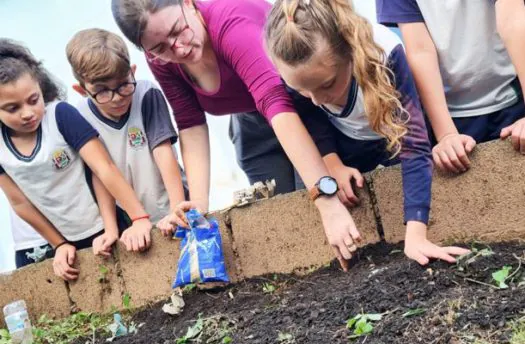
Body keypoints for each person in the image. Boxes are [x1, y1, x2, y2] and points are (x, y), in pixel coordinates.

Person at [111, 0, 364, 270]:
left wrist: (326, 200)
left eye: (178, 30)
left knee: (321, 203)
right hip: (251, 125)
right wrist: (197, 205)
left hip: (300, 108)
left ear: (188, 3)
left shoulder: (231, 21)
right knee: (283, 214)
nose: (179, 48)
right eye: (160, 48)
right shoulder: (161, 61)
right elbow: (190, 123)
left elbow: (275, 101)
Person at [265, 0, 470, 264]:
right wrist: (331, 163)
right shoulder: (298, 72)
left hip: (391, 131)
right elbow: (311, 117)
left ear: (349, 53)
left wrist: (416, 235)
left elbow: (414, 147)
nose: (316, 99)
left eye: (327, 84)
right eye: (303, 89)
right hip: (345, 140)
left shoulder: (386, 55)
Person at [0, 38, 153, 280]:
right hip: (65, 239)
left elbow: (103, 168)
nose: (28, 113)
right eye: (12, 108)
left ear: (41, 88)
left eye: (33, 100)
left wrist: (136, 219)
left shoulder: (60, 116)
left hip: (103, 224)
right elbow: (19, 203)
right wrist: (59, 244)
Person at [66, 28, 188, 242]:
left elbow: (163, 152)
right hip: (131, 219)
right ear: (82, 90)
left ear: (132, 71)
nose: (116, 98)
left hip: (170, 201)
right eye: (102, 91)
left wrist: (176, 210)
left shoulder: (146, 94)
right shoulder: (81, 116)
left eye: (123, 85)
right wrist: (111, 229)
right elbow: (100, 174)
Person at [376, 0, 525, 173]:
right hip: (454, 113)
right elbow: (420, 50)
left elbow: (513, 19)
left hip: (513, 96)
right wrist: (446, 135)